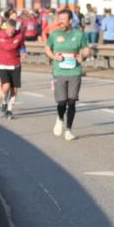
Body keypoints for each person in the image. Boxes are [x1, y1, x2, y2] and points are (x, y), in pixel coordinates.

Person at [45, 8, 91, 140]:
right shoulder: (54, 34)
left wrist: (83, 56)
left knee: (72, 101)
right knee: (61, 102)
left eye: (63, 20)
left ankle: (69, 130)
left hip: (74, 71)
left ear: (70, 21)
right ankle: (60, 119)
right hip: (59, 71)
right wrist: (54, 57)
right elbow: (47, 48)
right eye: (60, 19)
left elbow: (86, 49)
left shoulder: (79, 34)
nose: (61, 22)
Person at [0, 17, 25, 119]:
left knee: (14, 89)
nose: (11, 32)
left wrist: (23, 52)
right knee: (6, 86)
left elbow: (22, 46)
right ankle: (4, 102)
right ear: (6, 28)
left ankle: (9, 110)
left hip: (15, 64)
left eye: (13, 30)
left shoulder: (19, 35)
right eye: (10, 29)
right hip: (3, 65)